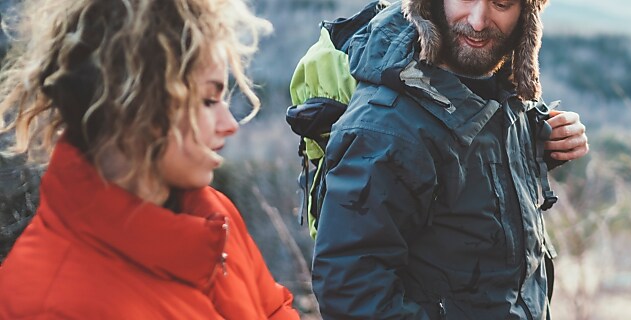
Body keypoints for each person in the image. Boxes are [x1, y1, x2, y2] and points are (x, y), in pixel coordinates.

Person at [0, 0, 297, 318]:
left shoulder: (213, 215)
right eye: (209, 100)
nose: (229, 125)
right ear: (135, 107)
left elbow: (274, 309)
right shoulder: (52, 304)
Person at [309, 0, 589, 318]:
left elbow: (469, 164)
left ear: (526, 14)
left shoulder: (499, 92)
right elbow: (351, 291)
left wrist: (542, 138)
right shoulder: (386, 127)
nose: (479, 20)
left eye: (501, 3)